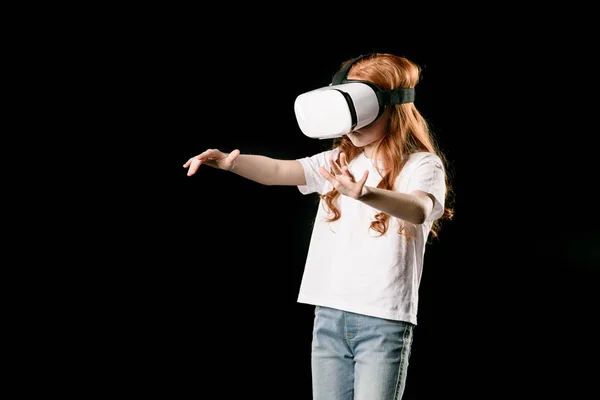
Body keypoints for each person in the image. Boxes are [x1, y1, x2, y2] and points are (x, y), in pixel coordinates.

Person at [183, 53, 454, 400]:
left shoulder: (421, 164)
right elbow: (280, 171)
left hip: (383, 319)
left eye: (362, 114)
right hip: (329, 314)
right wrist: (231, 163)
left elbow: (419, 209)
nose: (353, 127)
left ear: (393, 109)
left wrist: (365, 193)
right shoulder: (339, 160)